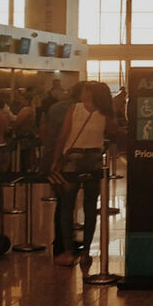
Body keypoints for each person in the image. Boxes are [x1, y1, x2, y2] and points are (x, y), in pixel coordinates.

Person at [51, 82, 122, 266]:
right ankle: (86, 253)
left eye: (84, 90)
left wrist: (56, 160)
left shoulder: (75, 109)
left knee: (67, 207)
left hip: (73, 159)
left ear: (89, 93)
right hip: (94, 160)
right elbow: (115, 133)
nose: (81, 93)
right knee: (90, 207)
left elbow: (62, 136)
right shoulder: (105, 113)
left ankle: (68, 252)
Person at [40, 82, 83, 257]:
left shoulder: (55, 107)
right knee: (66, 202)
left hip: (51, 155)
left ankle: (63, 239)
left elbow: (45, 130)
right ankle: (62, 243)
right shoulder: (77, 110)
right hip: (64, 159)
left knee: (63, 200)